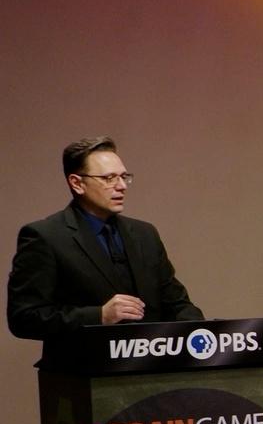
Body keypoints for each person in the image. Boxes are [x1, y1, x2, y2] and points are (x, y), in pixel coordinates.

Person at [8, 136, 202, 340]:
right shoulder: (45, 237)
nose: (122, 186)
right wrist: (99, 316)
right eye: (109, 178)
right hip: (83, 367)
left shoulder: (145, 234)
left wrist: (204, 334)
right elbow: (24, 318)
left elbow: (176, 303)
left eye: (124, 177)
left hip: (149, 366)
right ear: (77, 183)